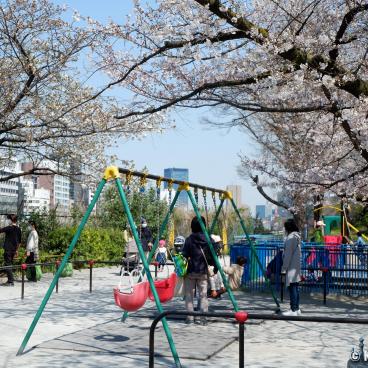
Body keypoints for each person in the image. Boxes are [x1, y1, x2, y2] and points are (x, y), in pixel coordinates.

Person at [182, 216, 212, 325]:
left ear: (192, 226)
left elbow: (184, 254)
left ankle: (190, 318)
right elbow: (212, 255)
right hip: (203, 271)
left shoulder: (189, 239)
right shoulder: (208, 239)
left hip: (190, 271)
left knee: (189, 295)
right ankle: (203, 318)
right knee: (203, 295)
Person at [281, 218, 302, 316]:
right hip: (296, 265)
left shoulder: (290, 238)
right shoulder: (297, 237)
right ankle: (296, 308)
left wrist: (284, 268)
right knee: (295, 288)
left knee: (292, 288)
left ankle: (293, 309)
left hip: (291, 266)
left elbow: (287, 255)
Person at [0, 214, 22, 286]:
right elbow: (19, 242)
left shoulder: (9, 228)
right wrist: (17, 251)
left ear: (11, 220)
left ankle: (10, 281)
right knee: (9, 264)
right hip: (13, 250)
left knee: (8, 264)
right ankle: (10, 280)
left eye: (9, 219)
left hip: (8, 249)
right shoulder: (19, 229)